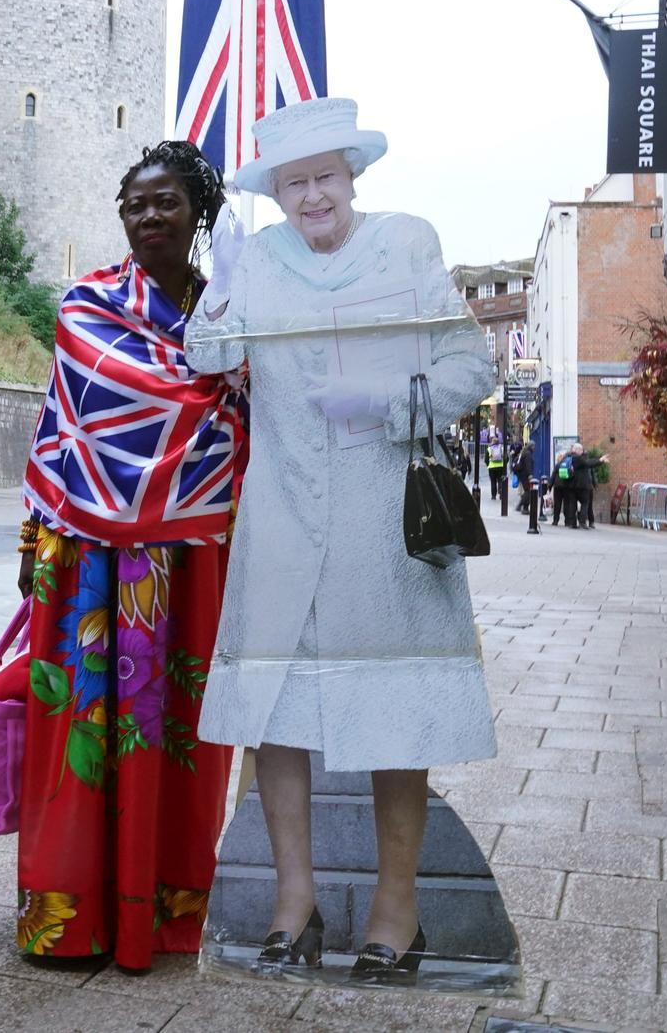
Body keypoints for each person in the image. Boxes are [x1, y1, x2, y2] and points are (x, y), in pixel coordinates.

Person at [189, 97, 496, 984]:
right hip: (283, 512)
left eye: (325, 175)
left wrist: (390, 403)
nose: (312, 195)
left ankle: (397, 912)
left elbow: (472, 366)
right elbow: (206, 355)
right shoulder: (262, 257)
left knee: (393, 710)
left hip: (384, 521)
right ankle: (296, 905)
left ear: (352, 174)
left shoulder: (406, 243)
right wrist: (222, 283)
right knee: (276, 712)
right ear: (276, 191)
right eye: (294, 182)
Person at [14, 139, 246, 972]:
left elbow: (248, 420)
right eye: (135, 205)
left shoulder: (232, 317)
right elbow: (68, 423)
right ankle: (70, 916)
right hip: (86, 560)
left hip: (188, 560)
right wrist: (30, 539)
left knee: (178, 732)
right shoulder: (87, 305)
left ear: (198, 213)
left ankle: (163, 910)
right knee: (80, 733)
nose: (149, 216)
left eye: (166, 201)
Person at [481, 419, 507, 502]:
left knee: (493, 482)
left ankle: (493, 495)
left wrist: (488, 464)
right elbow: (506, 458)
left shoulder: (489, 449)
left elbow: (486, 459)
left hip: (492, 467)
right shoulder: (502, 449)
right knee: (500, 480)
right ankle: (501, 492)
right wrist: (504, 464)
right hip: (500, 467)